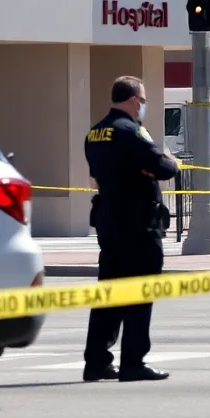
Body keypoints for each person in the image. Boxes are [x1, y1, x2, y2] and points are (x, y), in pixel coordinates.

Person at [82, 76, 179, 383]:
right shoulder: (130, 131)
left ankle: (96, 361)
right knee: (139, 292)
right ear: (135, 100)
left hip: (109, 220)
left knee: (109, 293)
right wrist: (170, 163)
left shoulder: (95, 133)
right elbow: (163, 168)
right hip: (138, 223)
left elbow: (96, 176)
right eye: (144, 101)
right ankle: (133, 362)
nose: (143, 107)